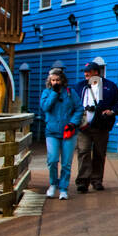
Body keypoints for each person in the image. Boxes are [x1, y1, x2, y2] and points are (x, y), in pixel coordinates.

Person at [74, 61, 118, 192]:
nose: (86, 74)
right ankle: (82, 182)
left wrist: (112, 111)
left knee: (99, 153)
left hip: (101, 125)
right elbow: (72, 103)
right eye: (85, 72)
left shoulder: (109, 86)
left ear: (96, 72)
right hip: (84, 126)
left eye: (89, 71)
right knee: (83, 152)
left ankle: (96, 180)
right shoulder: (80, 86)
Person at [39, 66, 83, 200]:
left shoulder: (70, 93)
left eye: (57, 80)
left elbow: (79, 109)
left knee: (66, 163)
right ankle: (53, 184)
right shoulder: (46, 92)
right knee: (52, 160)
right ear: (49, 81)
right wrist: (54, 93)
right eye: (52, 80)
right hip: (52, 132)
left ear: (62, 80)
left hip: (68, 132)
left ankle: (63, 188)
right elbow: (45, 107)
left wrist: (73, 123)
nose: (55, 82)